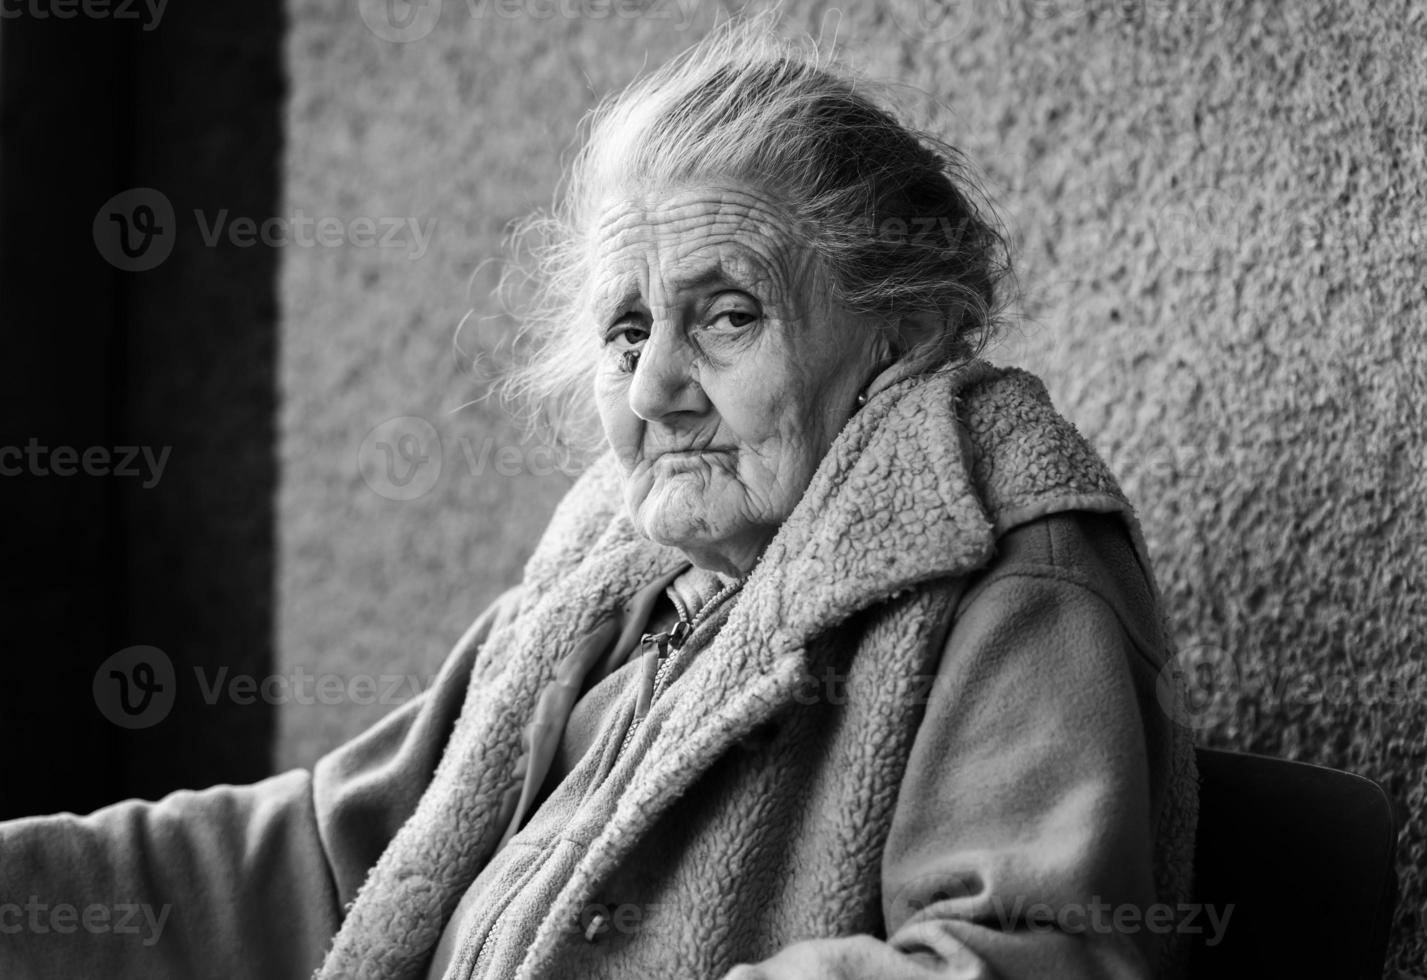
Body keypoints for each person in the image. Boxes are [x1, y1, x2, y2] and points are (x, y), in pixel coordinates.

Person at [0, 22, 1197, 980]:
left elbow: (1040, 954)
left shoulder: (998, 566)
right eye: (627, 328)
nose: (655, 385)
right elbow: (337, 856)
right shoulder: (616, 585)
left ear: (904, 334)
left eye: (725, 313)